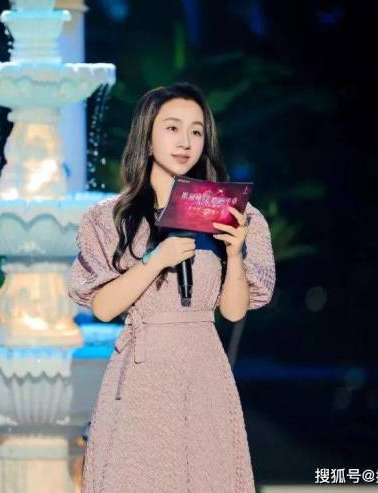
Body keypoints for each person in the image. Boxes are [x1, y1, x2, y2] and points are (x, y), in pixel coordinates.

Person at [67, 82, 276, 493]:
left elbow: (233, 311)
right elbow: (104, 308)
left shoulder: (231, 214)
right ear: (147, 137)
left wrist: (234, 253)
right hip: (142, 371)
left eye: (196, 131)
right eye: (173, 128)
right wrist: (155, 260)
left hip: (203, 370)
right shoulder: (110, 218)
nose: (186, 142)